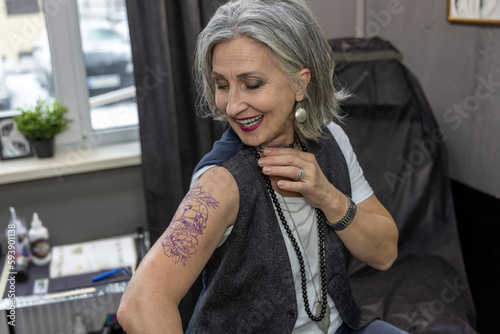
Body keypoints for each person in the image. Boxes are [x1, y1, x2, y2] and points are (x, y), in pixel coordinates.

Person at [117, 0, 405, 333]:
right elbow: (140, 304)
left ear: (300, 84)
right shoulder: (219, 183)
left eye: (252, 84)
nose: (234, 105)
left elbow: (385, 253)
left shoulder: (332, 139)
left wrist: (329, 197)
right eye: (222, 84)